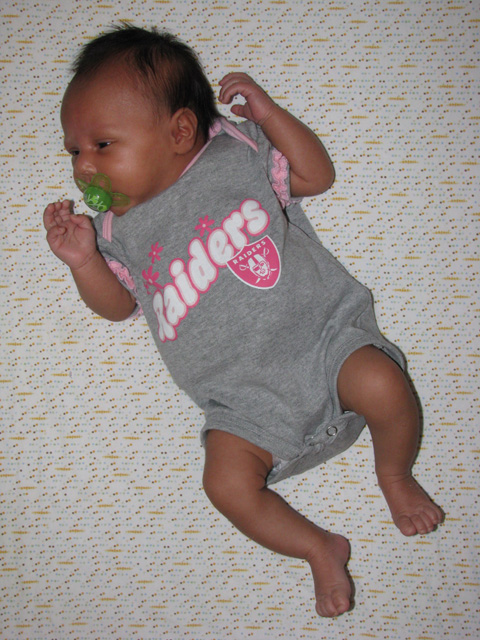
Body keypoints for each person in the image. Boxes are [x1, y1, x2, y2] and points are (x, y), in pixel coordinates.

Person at [43, 24, 444, 617]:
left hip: (323, 342)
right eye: (74, 151)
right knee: (224, 485)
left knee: (384, 385)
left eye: (102, 145)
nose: (84, 167)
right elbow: (119, 306)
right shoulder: (114, 232)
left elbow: (317, 177)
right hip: (241, 403)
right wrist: (82, 261)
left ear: (180, 131)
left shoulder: (233, 152)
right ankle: (318, 547)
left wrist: (271, 115)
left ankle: (395, 474)